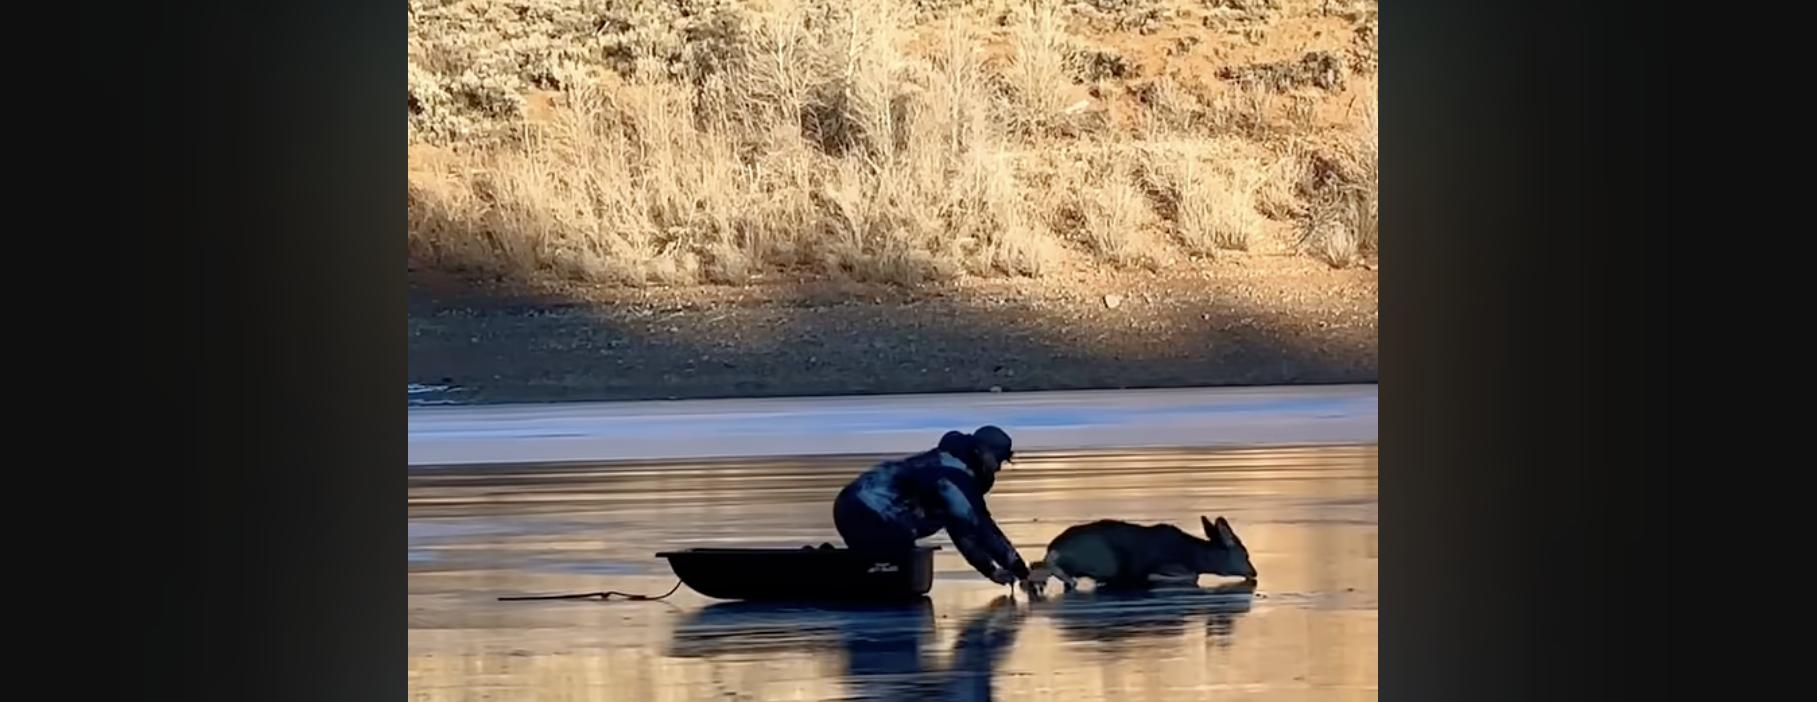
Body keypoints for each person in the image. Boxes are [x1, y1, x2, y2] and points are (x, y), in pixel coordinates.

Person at [832, 425, 1030, 585]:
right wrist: (1021, 570)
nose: (997, 468)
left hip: (848, 504)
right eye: (998, 459)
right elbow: (981, 527)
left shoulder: (943, 463)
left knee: (877, 560)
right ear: (982, 451)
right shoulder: (954, 479)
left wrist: (990, 571)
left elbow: (961, 531)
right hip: (874, 513)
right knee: (895, 567)